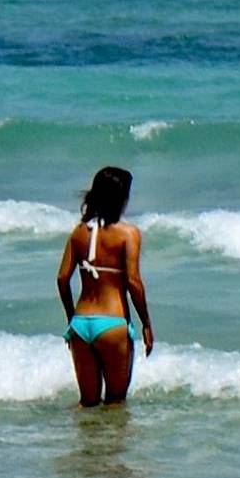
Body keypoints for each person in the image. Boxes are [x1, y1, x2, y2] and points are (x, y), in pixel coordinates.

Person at [57, 166, 155, 407]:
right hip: (113, 324)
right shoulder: (128, 234)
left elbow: (62, 279)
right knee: (115, 404)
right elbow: (133, 281)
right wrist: (146, 324)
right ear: (121, 197)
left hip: (81, 324)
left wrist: (71, 318)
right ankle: (111, 446)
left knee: (87, 404)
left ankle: (87, 446)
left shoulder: (79, 233)